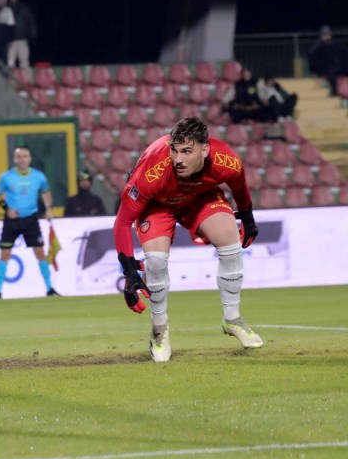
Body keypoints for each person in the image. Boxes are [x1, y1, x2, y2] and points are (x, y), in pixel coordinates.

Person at [113, 116, 263, 363]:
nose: (178, 159)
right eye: (174, 150)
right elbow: (122, 222)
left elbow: (240, 189)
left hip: (199, 198)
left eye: (186, 151)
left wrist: (247, 218)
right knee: (156, 261)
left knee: (230, 242)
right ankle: (159, 329)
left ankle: (232, 318)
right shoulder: (152, 171)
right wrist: (129, 271)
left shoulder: (228, 161)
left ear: (205, 150)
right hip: (157, 205)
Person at [0, 146, 59, 299]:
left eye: (25, 156)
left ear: (30, 158)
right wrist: (6, 208)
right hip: (12, 221)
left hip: (31, 219)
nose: (22, 159)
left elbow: (45, 192)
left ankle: (49, 289)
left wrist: (49, 208)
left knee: (39, 252)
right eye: (19, 157)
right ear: (15, 159)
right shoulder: (6, 177)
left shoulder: (39, 176)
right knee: (5, 253)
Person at [306, 25, 348, 96]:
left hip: (337, 67)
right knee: (331, 72)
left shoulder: (335, 44)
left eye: (327, 34)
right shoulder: (319, 45)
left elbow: (343, 54)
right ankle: (334, 90)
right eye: (324, 35)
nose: (326, 37)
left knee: (332, 71)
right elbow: (311, 54)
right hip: (327, 68)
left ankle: (336, 90)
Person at [7, 0, 37, 69]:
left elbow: (31, 20)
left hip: (22, 39)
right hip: (10, 41)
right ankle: (10, 80)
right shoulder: (6, 9)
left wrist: (32, 33)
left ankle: (25, 80)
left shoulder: (23, 8)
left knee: (24, 61)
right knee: (10, 62)